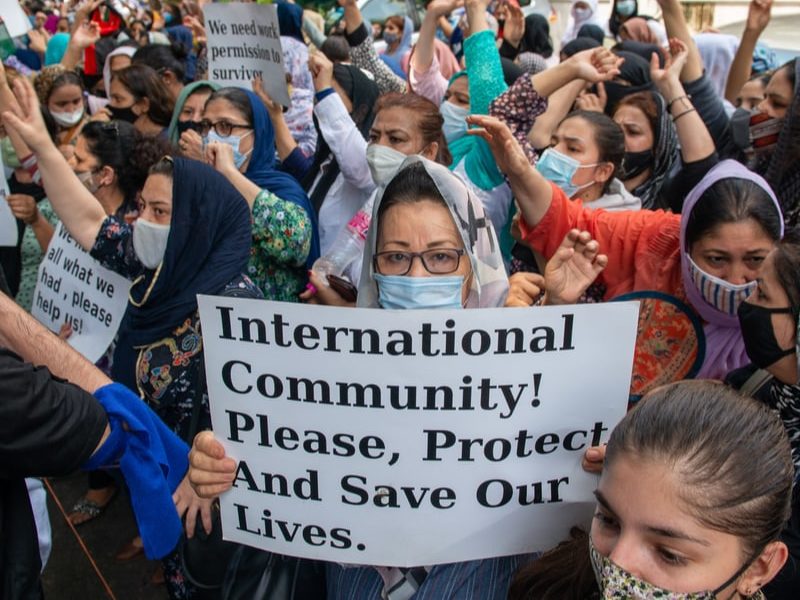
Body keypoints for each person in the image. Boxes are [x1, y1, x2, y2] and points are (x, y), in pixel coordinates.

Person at [187, 156, 604, 597]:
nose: (417, 275)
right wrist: (222, 465)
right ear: (374, 267)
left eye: (441, 257)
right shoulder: (315, 378)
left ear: (475, 265)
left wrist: (558, 317)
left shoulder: (521, 371)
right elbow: (275, 459)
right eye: (396, 257)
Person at [471, 112, 784, 379]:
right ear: (686, 245)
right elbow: (564, 220)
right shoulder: (658, 240)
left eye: (755, 260)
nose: (735, 279)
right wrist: (520, 170)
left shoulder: (790, 303)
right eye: (716, 259)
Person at [508, 380, 793, 598]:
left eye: (669, 554)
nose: (617, 564)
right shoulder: (550, 586)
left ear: (759, 568)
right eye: (609, 521)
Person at [202, 86, 320, 300]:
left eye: (225, 126)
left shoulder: (282, 188)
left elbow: (295, 242)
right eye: (207, 126)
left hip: (267, 324)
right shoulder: (203, 186)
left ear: (258, 131)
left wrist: (230, 172)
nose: (212, 136)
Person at [105, 64, 174, 136]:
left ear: (143, 104)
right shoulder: (128, 138)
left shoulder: (168, 142)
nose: (111, 104)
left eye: (118, 99)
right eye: (111, 98)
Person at [32, 65, 87, 151]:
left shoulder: (96, 130)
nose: (71, 110)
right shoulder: (33, 133)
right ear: (44, 103)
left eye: (76, 102)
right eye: (62, 104)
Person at [167, 80, 219, 159]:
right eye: (187, 111)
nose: (195, 119)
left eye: (204, 113)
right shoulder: (160, 155)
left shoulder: (234, 164)